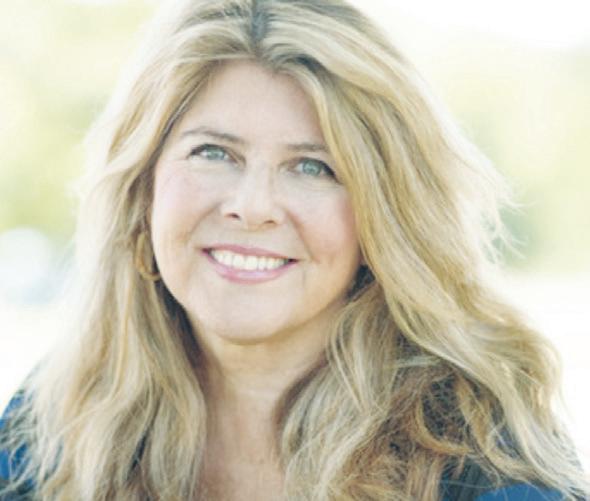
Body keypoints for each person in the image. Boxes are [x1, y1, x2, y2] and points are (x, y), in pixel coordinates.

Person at [0, 0, 588, 499]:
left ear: (383, 216)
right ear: (143, 189)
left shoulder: (482, 464)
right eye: (213, 153)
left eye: (313, 167)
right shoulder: (51, 426)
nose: (253, 206)